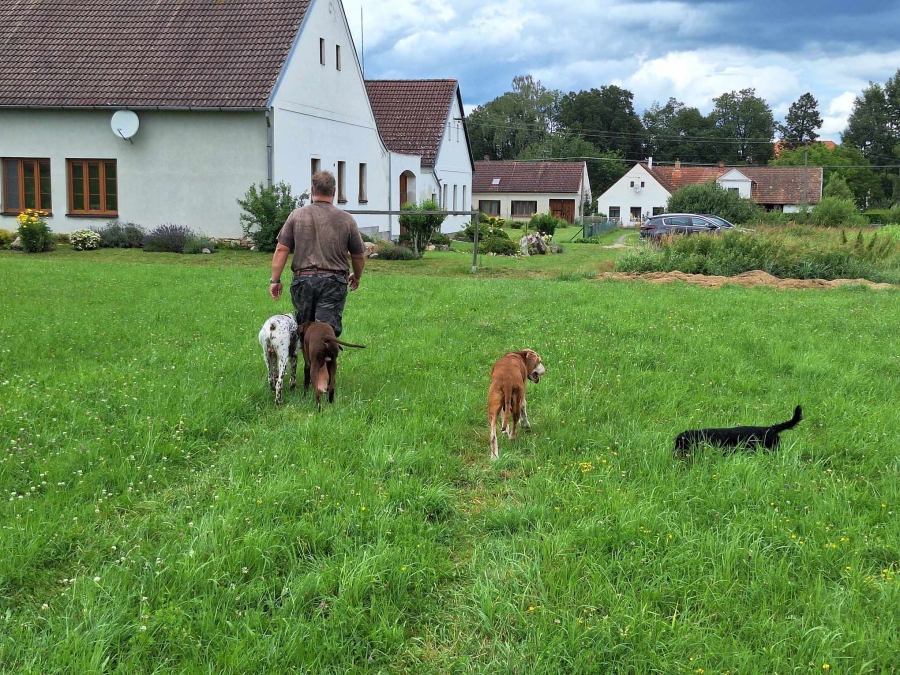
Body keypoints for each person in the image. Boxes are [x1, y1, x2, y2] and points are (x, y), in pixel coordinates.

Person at [269, 171, 366, 337]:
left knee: (305, 331)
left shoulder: (296, 215)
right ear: (334, 191)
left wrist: (275, 280)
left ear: (312, 190)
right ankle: (324, 354)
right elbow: (358, 255)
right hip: (333, 282)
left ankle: (310, 354)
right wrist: (356, 276)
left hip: (303, 281)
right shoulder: (346, 219)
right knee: (325, 333)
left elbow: (281, 249)